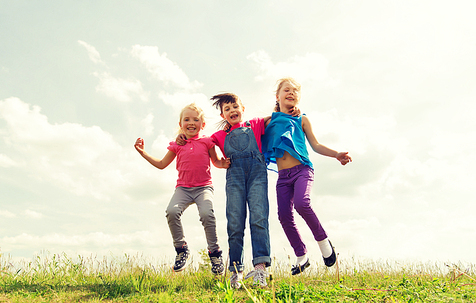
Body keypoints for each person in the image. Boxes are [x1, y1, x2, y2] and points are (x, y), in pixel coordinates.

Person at [262, 77, 352, 275]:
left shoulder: (302, 119)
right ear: (277, 96)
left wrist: (336, 154)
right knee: (284, 215)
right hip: (283, 177)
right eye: (287, 90)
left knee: (303, 204)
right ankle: (301, 255)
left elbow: (316, 144)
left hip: (302, 170)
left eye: (295, 91)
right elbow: (248, 127)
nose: (291, 93)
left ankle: (323, 241)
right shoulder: (269, 121)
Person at [134, 103, 230, 274]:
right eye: (186, 119)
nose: (191, 123)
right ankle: (181, 249)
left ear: (203, 124)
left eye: (195, 119)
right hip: (183, 189)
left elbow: (215, 161)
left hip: (203, 188)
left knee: (207, 214)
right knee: (171, 211)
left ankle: (215, 253)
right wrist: (143, 153)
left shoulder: (207, 142)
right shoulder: (177, 145)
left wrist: (224, 163)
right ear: (180, 125)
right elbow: (162, 164)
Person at [209, 93, 273, 288]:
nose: (232, 111)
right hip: (234, 178)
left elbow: (276, 117)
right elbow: (203, 145)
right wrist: (219, 163)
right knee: (235, 223)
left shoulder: (254, 125)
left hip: (257, 175)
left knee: (259, 218)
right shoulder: (219, 136)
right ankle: (236, 272)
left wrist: (288, 110)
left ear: (242, 108)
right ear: (223, 116)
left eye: (235, 106)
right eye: (227, 109)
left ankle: (260, 269)